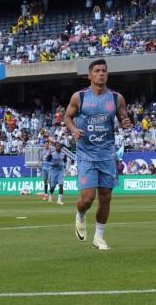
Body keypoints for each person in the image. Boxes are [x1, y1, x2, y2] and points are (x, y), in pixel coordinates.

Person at [65, 59, 132, 250]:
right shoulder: (80, 97)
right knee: (87, 199)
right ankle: (80, 213)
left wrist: (126, 123)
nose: (101, 73)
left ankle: (99, 237)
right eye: (97, 71)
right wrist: (73, 130)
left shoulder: (116, 98)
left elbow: (123, 117)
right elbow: (67, 116)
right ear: (90, 75)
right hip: (86, 153)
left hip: (107, 154)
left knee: (106, 196)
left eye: (104, 70)